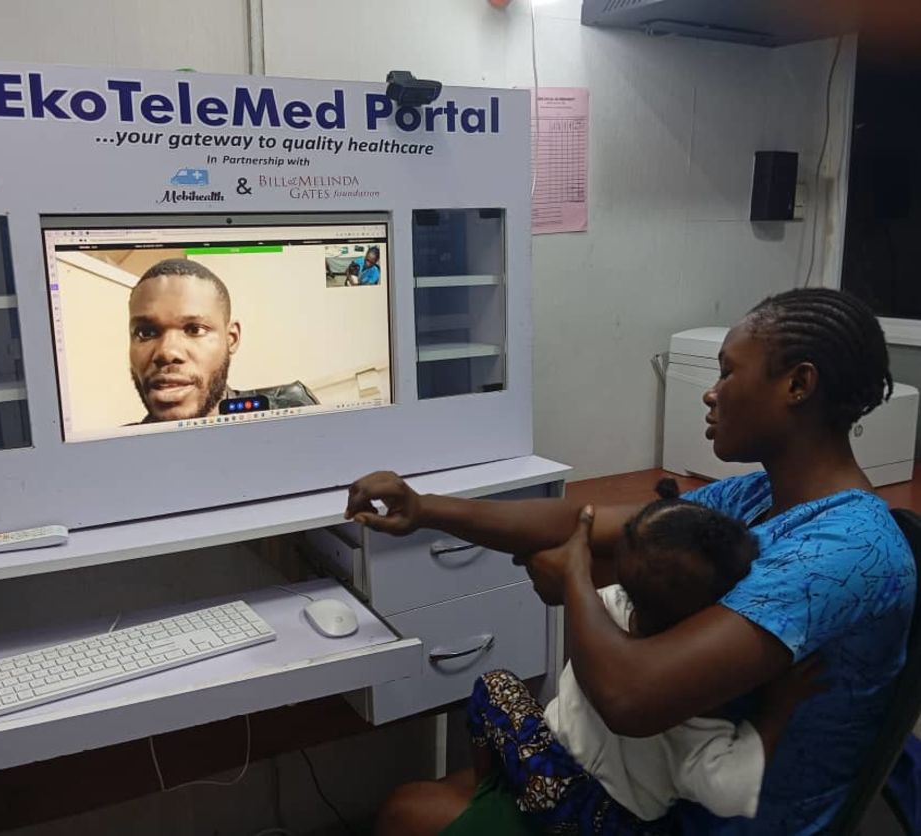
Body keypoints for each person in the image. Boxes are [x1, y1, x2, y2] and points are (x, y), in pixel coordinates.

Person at [346, 288, 916, 835]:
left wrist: (576, 580)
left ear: (798, 384)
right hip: (659, 785)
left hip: (710, 820)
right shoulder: (756, 496)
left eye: (727, 372)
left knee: (406, 815)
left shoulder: (846, 551)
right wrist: (425, 509)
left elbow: (629, 699)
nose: (710, 393)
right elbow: (585, 520)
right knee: (423, 802)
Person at [467, 484, 824, 835]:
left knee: (494, 684)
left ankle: (488, 789)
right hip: (618, 825)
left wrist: (576, 564)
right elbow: (728, 793)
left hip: (552, 784)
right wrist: (778, 711)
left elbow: (571, 581)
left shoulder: (603, 608)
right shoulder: (698, 686)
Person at [129, 258, 317, 422]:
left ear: (231, 339)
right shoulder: (121, 452)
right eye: (146, 333)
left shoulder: (293, 414)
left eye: (195, 330)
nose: (167, 352)